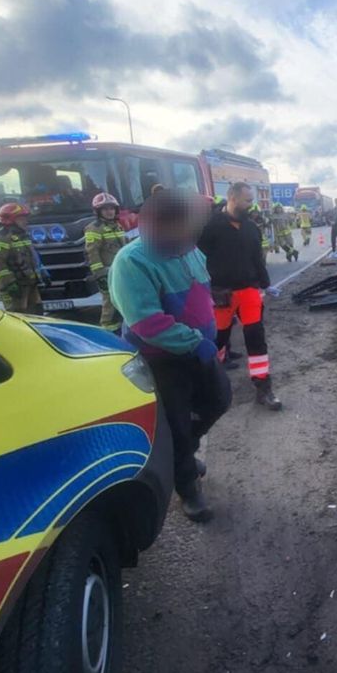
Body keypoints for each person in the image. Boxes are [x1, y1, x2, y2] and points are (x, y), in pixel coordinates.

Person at [109, 189, 230, 522]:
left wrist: (215, 301)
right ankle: (188, 488)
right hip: (161, 359)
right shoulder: (132, 261)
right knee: (177, 425)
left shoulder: (190, 250)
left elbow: (199, 289)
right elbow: (148, 323)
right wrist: (196, 342)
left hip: (198, 351)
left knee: (219, 400)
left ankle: (183, 455)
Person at [198, 181, 284, 411]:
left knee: (256, 338)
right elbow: (196, 260)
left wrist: (266, 285)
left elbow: (258, 260)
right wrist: (204, 288)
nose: (251, 204)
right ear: (233, 198)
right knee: (218, 340)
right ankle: (211, 386)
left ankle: (263, 387)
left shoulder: (251, 228)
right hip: (221, 294)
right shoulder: (210, 226)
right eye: (247, 200)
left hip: (249, 292)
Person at [0, 202, 43, 313]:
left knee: (37, 311)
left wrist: (41, 273)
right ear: (11, 220)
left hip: (29, 282)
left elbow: (31, 257)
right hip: (14, 285)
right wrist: (10, 284)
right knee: (18, 314)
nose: (25, 221)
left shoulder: (22, 235)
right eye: (22, 218)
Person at [84, 192, 128, 330]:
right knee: (109, 302)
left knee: (123, 299)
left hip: (121, 270)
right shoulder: (94, 228)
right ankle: (108, 329)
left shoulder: (118, 226)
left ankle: (122, 328)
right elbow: (92, 252)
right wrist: (100, 274)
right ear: (98, 211)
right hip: (107, 272)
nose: (109, 212)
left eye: (111, 208)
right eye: (105, 209)